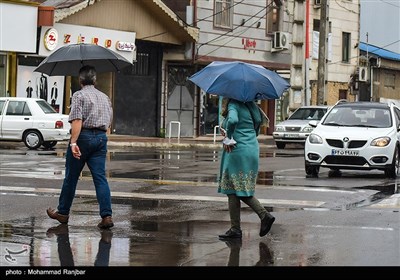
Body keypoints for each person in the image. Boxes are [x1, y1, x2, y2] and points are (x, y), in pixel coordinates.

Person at [46, 65, 114, 229]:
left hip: (83, 137)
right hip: (101, 138)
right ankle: (107, 216)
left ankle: (63, 213)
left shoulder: (79, 95)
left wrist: (74, 142)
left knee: (71, 177)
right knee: (100, 178)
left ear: (80, 80)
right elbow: (109, 121)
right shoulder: (105, 97)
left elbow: (77, 120)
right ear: (95, 80)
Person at [218, 97, 275, 240]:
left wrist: (228, 138)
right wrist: (249, 135)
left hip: (237, 150)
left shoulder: (234, 104)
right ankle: (235, 229)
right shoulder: (251, 105)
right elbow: (258, 123)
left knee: (237, 188)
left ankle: (264, 215)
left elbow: (232, 120)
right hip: (251, 148)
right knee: (234, 189)